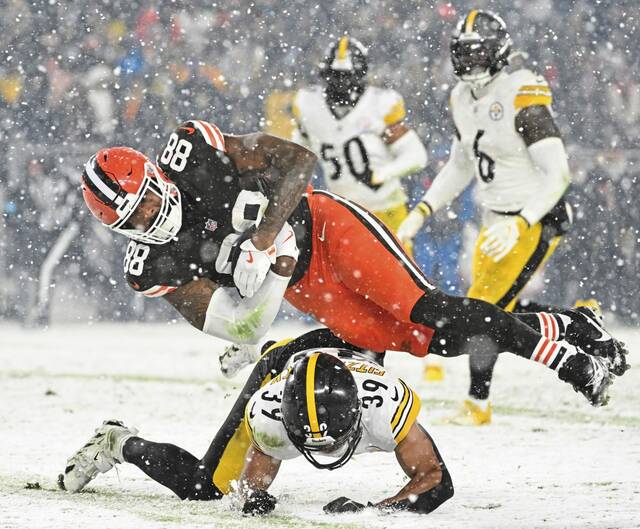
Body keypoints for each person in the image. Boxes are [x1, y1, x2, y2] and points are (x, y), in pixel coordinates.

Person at [80, 119, 626, 407]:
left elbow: (299, 161)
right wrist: (266, 283)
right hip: (299, 283)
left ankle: (569, 363)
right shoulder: (147, 268)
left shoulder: (192, 149)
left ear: (157, 174)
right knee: (433, 341)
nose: (148, 217)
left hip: (326, 227)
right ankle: (572, 325)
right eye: (132, 217)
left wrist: (267, 236)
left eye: (149, 199)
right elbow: (233, 323)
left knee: (427, 309)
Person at [396, 10, 626, 424]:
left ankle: (478, 405)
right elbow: (460, 165)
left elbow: (558, 174)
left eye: (477, 53)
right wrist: (423, 211)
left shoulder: (521, 91)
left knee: (484, 315)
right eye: (462, 54)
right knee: (503, 315)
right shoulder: (461, 99)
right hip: (494, 217)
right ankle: (580, 324)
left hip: (534, 217)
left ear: (498, 51)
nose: (470, 63)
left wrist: (521, 221)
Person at [60, 329, 453, 516]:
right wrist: (252, 497)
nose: (324, 451)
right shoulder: (270, 414)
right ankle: (115, 441)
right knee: (207, 488)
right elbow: (246, 491)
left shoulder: (385, 404)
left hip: (354, 342)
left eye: (332, 442)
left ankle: (268, 344)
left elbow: (436, 481)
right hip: (284, 371)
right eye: (309, 442)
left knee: (387, 325)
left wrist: (374, 510)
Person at [291, 36, 428, 237]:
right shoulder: (310, 107)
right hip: (340, 210)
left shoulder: (379, 105)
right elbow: (297, 154)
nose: (341, 84)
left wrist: (385, 173)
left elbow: (417, 156)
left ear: (361, 75)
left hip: (385, 209)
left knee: (392, 268)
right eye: (336, 76)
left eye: (347, 77)